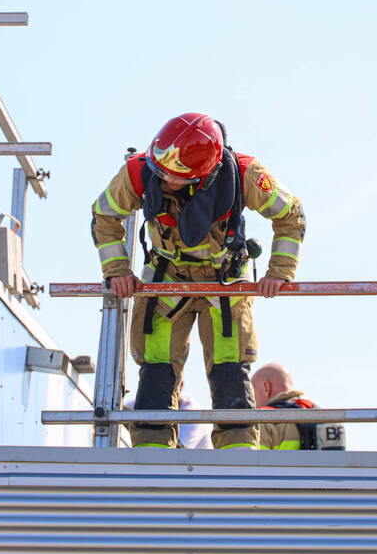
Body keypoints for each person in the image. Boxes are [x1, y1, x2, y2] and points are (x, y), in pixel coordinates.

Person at [92, 113, 305, 450]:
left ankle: (238, 457)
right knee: (156, 370)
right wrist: (117, 269)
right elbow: (104, 215)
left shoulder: (245, 174)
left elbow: (291, 215)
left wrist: (279, 272)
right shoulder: (139, 171)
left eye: (172, 177)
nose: (161, 179)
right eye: (159, 169)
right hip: (167, 284)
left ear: (201, 178)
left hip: (225, 286)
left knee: (230, 371)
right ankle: (151, 452)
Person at [252, 362, 345, 450]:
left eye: (252, 394)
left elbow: (255, 463)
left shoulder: (263, 420)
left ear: (266, 388)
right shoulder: (329, 419)